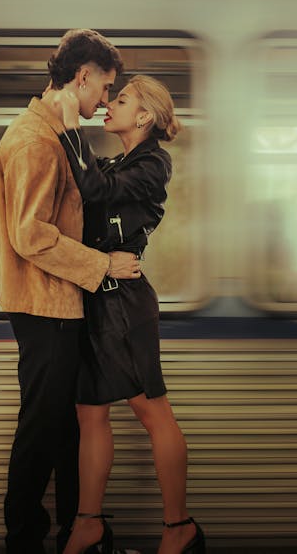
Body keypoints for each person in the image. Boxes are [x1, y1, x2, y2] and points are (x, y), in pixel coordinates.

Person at [0, 29, 142, 554]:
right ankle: (25, 539)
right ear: (83, 77)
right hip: (44, 303)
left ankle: (78, 534)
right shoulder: (34, 139)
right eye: (105, 88)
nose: (105, 100)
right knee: (42, 425)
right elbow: (30, 235)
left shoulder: (54, 132)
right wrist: (103, 263)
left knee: (62, 428)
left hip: (57, 301)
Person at [54, 75, 206, 554]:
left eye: (120, 100)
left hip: (126, 304)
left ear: (144, 116)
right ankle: (89, 521)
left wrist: (68, 128)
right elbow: (85, 182)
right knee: (89, 411)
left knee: (151, 410)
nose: (108, 105)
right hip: (99, 294)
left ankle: (178, 527)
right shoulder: (121, 159)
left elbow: (96, 190)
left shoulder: (153, 163)